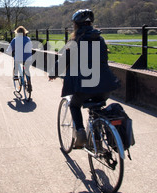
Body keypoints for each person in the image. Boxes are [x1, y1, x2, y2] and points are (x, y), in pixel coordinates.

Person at [49, 9, 120, 148]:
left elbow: (62, 62)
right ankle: (97, 143)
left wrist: (53, 74)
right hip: (105, 86)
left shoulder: (74, 41)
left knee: (74, 105)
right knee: (97, 109)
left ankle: (80, 133)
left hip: (84, 87)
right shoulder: (100, 39)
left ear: (75, 25)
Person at [6, 26, 33, 90]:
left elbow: (9, 50)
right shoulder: (28, 39)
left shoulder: (15, 39)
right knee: (27, 70)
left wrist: (8, 52)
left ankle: (15, 75)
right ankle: (29, 83)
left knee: (16, 62)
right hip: (28, 58)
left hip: (19, 58)